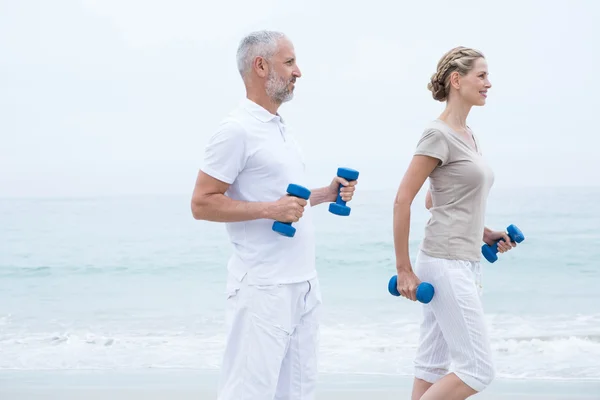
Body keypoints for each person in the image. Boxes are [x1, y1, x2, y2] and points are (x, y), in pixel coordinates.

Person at [190, 30, 358, 400]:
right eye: (290, 62)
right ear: (261, 66)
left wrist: (326, 194)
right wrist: (270, 209)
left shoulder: (280, 128)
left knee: (298, 394)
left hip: (303, 286)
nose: (299, 72)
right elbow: (201, 202)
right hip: (263, 288)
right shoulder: (235, 130)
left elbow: (285, 201)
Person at [392, 46, 516, 400]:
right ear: (456, 80)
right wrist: (404, 269)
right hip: (444, 263)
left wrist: (484, 232)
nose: (489, 83)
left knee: (432, 367)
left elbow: (437, 199)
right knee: (477, 370)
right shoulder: (438, 134)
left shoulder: (468, 134)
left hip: (461, 260)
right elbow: (404, 198)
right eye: (482, 75)